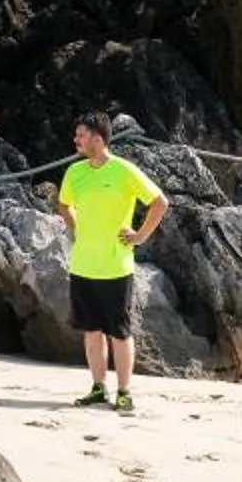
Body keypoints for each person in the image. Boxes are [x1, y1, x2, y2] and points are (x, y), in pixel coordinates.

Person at [54, 111, 165, 414]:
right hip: (82, 265)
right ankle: (98, 387)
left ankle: (125, 392)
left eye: (81, 135)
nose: (76, 139)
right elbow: (64, 204)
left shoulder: (124, 171)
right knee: (91, 330)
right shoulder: (75, 172)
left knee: (119, 331)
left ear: (98, 138)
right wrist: (77, 227)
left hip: (116, 267)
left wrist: (140, 236)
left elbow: (159, 202)